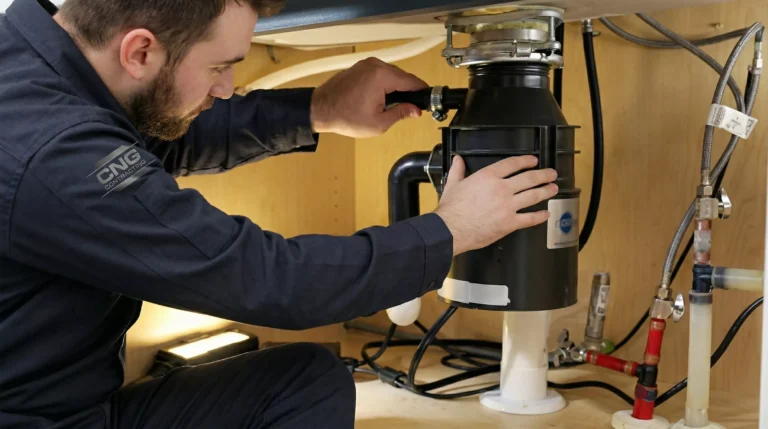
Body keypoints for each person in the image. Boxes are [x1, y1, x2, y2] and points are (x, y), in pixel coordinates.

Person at [0, 0, 560, 428]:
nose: (227, 88)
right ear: (140, 51)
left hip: (73, 404)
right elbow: (262, 278)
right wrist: (450, 230)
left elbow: (161, 130)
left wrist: (321, 108)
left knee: (307, 381)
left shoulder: (39, 70)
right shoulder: (49, 151)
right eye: (220, 67)